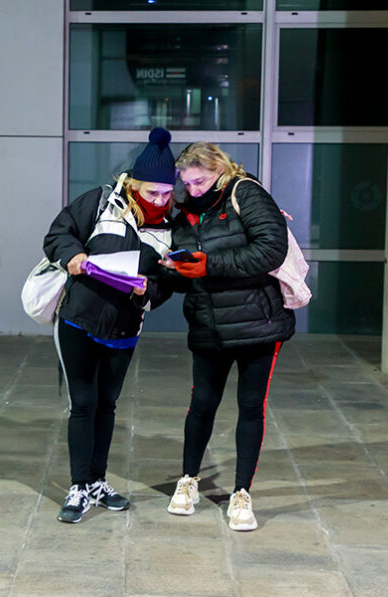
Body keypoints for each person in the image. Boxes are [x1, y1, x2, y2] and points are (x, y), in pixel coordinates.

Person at [43, 127, 177, 524]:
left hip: (124, 328)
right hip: (79, 320)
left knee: (107, 405)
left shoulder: (172, 227)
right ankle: (79, 487)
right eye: (152, 192)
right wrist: (72, 255)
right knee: (83, 405)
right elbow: (58, 233)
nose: (159, 200)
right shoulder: (101, 203)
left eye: (166, 193)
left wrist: (147, 289)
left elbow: (169, 283)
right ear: (134, 184)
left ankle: (98, 481)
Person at [160, 142, 295, 531]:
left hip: (257, 324)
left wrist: (209, 265)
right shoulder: (184, 213)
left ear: (219, 170)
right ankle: (188, 481)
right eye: (186, 183)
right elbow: (188, 270)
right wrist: (173, 271)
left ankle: (241, 494)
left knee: (251, 405)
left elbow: (271, 249)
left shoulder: (246, 193)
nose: (194, 189)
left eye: (200, 181)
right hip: (208, 325)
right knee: (201, 403)